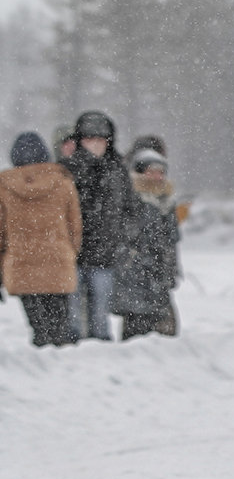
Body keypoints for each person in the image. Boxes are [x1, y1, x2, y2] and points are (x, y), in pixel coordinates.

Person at [61, 110, 139, 341]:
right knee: (73, 314)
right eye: (89, 139)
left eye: (100, 139)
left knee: (101, 314)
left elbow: (131, 210)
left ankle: (102, 349)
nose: (94, 145)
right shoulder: (67, 170)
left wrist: (124, 240)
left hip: (105, 255)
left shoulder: (118, 171)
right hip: (72, 254)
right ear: (79, 140)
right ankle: (73, 348)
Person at [0, 131, 83, 347]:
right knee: (59, 325)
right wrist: (69, 252)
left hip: (21, 265)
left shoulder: (4, 187)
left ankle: (43, 354)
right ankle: (61, 366)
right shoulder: (63, 182)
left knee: (38, 326)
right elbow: (75, 226)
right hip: (58, 263)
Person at [111, 148, 181, 340]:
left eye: (161, 172)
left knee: (166, 330)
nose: (157, 177)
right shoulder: (130, 198)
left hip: (159, 275)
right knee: (136, 328)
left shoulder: (167, 202)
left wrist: (171, 268)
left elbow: (171, 240)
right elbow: (128, 236)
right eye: (152, 171)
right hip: (136, 273)